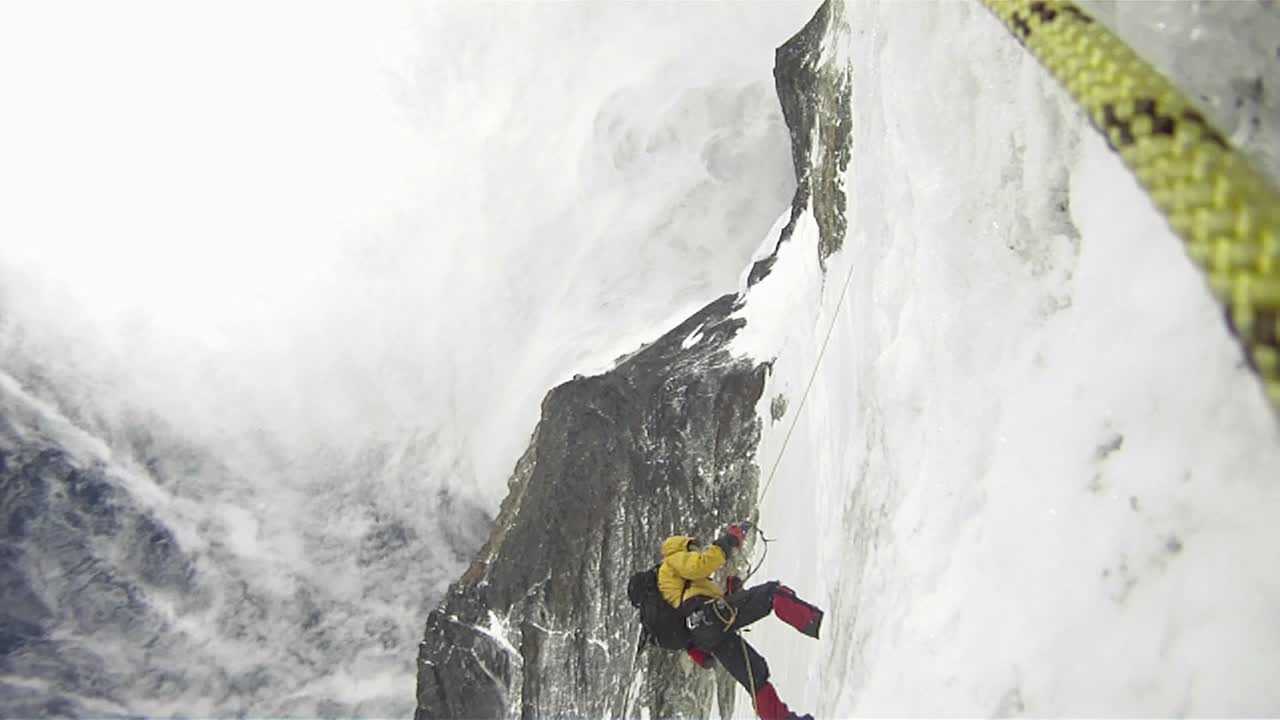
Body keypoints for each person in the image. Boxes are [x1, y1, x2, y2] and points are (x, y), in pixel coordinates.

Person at [658, 522, 824, 720]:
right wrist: (729, 540)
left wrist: (730, 594)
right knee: (771, 594)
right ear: (683, 546)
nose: (696, 551)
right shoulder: (673, 560)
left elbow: (698, 599)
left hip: (705, 633)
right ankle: (821, 625)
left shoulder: (673, 584)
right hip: (708, 619)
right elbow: (701, 565)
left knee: (755, 677)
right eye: (693, 548)